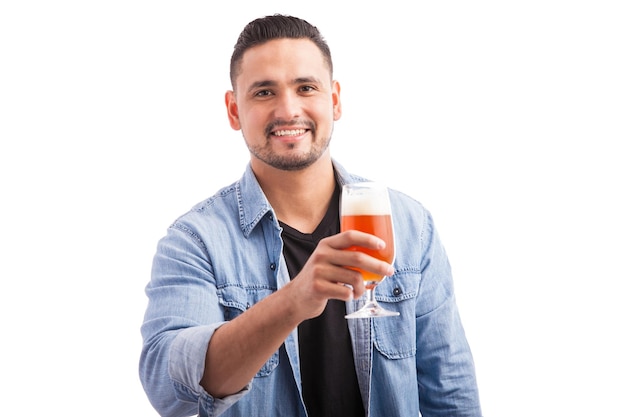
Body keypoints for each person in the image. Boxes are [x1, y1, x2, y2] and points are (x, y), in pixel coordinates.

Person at [139, 14, 482, 417]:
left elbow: (450, 394)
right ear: (234, 111)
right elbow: (168, 384)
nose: (288, 110)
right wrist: (295, 300)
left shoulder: (410, 224)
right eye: (264, 92)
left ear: (334, 100)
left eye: (306, 87)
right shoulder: (195, 241)